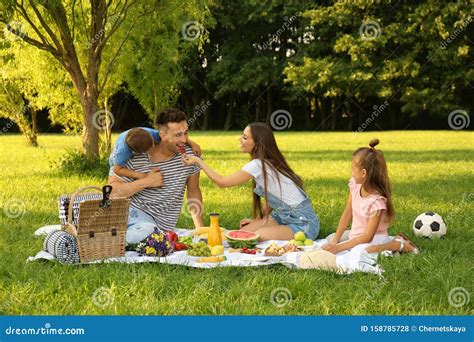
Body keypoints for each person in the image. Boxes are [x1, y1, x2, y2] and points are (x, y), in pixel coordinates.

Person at [182, 122, 320, 241]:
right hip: (284, 215)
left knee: (258, 235)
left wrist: (198, 161)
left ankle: (278, 231)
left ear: (256, 144)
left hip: (304, 223)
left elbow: (222, 183)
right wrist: (259, 219)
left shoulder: (259, 165)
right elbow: (272, 196)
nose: (239, 139)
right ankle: (276, 229)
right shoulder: (265, 163)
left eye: (244, 137)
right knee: (244, 233)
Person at [108, 108, 204, 244]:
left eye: (186, 133)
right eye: (177, 135)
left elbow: (193, 191)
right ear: (162, 135)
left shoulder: (191, 155)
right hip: (129, 216)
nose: (184, 139)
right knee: (148, 231)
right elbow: (110, 194)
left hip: (162, 228)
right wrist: (146, 181)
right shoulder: (134, 150)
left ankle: (114, 239)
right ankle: (103, 241)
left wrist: (201, 231)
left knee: (153, 235)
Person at [321, 138, 419, 256]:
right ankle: (396, 240)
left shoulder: (376, 203)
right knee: (329, 239)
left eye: (353, 168)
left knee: (360, 253)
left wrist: (338, 248)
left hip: (373, 239)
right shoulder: (355, 186)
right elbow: (347, 214)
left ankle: (394, 245)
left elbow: (367, 237)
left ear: (363, 173)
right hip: (356, 236)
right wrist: (335, 241)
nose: (351, 172)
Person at [109, 127, 201, 179]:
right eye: (149, 148)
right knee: (115, 167)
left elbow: (173, 135)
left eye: (153, 143)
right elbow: (117, 170)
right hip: (121, 147)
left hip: (136, 134)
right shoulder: (123, 152)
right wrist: (139, 175)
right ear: (138, 152)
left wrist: (192, 143)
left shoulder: (153, 133)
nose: (154, 147)